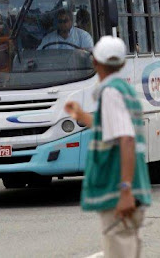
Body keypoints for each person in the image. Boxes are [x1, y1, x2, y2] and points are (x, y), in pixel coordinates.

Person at [64, 36, 152, 258]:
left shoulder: (111, 93)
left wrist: (125, 191)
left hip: (117, 193)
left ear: (94, 62)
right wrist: (81, 116)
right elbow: (110, 129)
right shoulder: (125, 90)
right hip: (130, 190)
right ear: (122, 64)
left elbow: (126, 139)